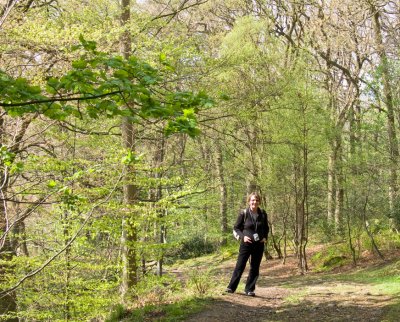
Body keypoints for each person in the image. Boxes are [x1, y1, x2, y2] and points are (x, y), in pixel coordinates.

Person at [225, 192, 269, 297]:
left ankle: (249, 289)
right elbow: (236, 228)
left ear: (259, 202)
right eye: (253, 200)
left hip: (259, 245)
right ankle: (231, 287)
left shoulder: (263, 213)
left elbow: (266, 228)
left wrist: (265, 238)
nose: (255, 202)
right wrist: (242, 237)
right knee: (240, 265)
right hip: (246, 244)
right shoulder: (243, 213)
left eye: (257, 200)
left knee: (255, 267)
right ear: (249, 201)